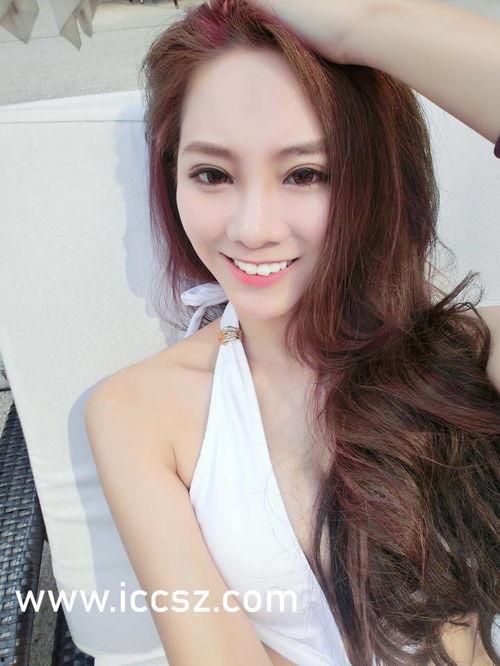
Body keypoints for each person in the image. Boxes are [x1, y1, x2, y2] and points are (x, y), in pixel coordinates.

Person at [84, 0, 500, 664]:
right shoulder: (138, 413)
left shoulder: (473, 356)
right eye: (212, 174)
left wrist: (364, 26)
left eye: (305, 174)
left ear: (375, 181)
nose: (252, 228)